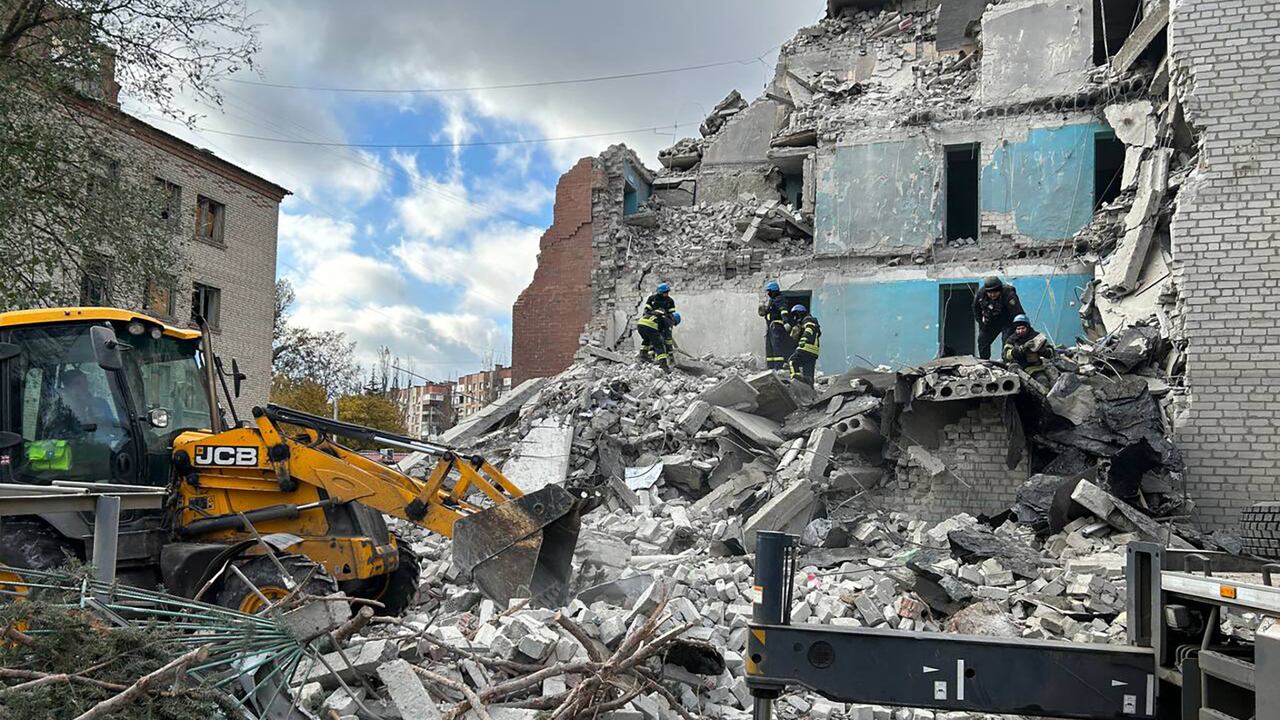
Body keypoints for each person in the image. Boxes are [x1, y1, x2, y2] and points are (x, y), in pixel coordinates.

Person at [973, 276, 1025, 360]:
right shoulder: (981, 294)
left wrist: (1019, 329)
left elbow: (1018, 313)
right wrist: (981, 324)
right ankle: (985, 361)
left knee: (1007, 341)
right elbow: (975, 309)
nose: (993, 294)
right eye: (990, 293)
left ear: (1000, 290)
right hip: (991, 320)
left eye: (995, 292)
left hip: (1008, 321)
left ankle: (1006, 361)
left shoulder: (1009, 294)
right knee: (982, 339)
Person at [1002, 314, 1052, 382]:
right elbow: (1007, 355)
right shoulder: (1011, 339)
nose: (1020, 331)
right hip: (1017, 369)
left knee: (1043, 381)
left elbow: (1051, 353)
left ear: (1027, 327)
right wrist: (1022, 348)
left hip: (1034, 368)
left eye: (1023, 328)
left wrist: (1042, 350)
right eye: (1018, 329)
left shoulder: (1037, 337)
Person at [758, 281, 794, 370]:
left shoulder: (780, 299)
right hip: (771, 327)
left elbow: (783, 310)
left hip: (777, 326)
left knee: (777, 346)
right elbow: (771, 312)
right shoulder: (772, 301)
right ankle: (771, 367)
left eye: (769, 291)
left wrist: (785, 321)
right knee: (769, 347)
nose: (768, 293)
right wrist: (765, 311)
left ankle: (779, 367)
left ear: (774, 291)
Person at [787, 304, 821, 386]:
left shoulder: (807, 319)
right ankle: (810, 392)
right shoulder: (813, 321)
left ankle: (796, 382)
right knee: (808, 375)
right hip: (814, 352)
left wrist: (804, 338)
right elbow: (818, 333)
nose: (795, 318)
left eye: (795, 315)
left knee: (792, 362)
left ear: (800, 313)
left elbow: (809, 328)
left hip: (805, 347)